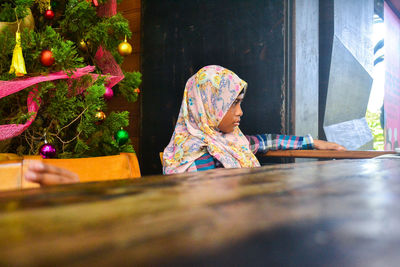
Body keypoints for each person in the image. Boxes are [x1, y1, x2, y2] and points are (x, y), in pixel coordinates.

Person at [163, 65, 345, 174]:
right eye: (233, 103)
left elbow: (267, 141)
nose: (240, 112)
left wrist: (313, 143)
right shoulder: (197, 157)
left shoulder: (227, 141)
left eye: (240, 103)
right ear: (208, 105)